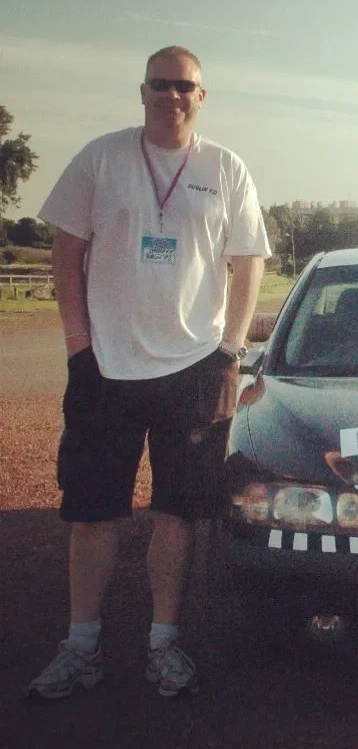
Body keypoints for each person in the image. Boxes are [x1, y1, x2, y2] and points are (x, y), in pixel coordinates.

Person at [28, 46, 271, 700]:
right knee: (91, 513)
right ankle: (80, 646)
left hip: (195, 367)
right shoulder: (101, 158)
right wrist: (79, 342)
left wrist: (232, 348)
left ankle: (163, 643)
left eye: (185, 86)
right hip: (105, 364)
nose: (173, 96)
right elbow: (67, 251)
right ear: (142, 92)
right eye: (161, 85)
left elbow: (248, 260)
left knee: (178, 513)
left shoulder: (226, 168)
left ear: (202, 96)